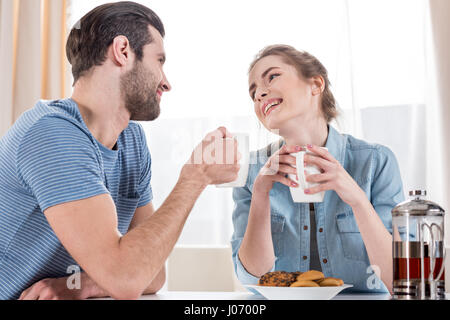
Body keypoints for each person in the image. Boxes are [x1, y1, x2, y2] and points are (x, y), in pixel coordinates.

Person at [0, 1, 240, 300]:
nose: (166, 83)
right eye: (159, 61)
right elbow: (126, 279)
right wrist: (195, 177)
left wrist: (81, 284)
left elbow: (151, 274)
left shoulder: (132, 141)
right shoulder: (52, 134)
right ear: (123, 51)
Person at [231, 45, 405, 293]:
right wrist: (260, 194)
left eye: (272, 76)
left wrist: (356, 199)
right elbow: (252, 278)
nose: (259, 93)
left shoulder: (375, 161)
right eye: (253, 92)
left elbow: (400, 280)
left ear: (315, 84)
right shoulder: (251, 172)